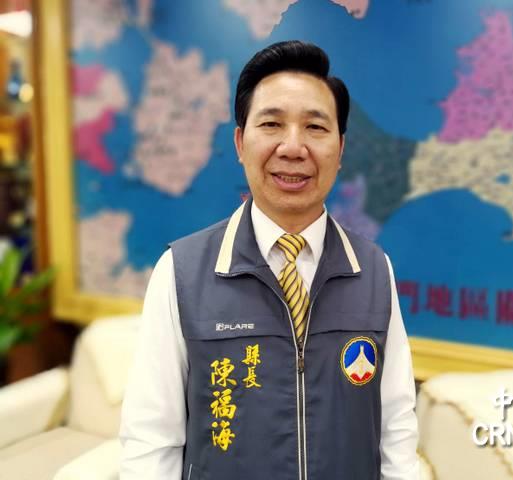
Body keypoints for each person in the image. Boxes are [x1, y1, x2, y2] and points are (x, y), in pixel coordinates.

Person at [120, 40, 420, 479]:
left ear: (340, 149)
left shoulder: (373, 269)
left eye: (315, 127)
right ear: (240, 143)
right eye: (272, 124)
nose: (293, 147)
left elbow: (395, 429)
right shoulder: (182, 272)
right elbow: (151, 440)